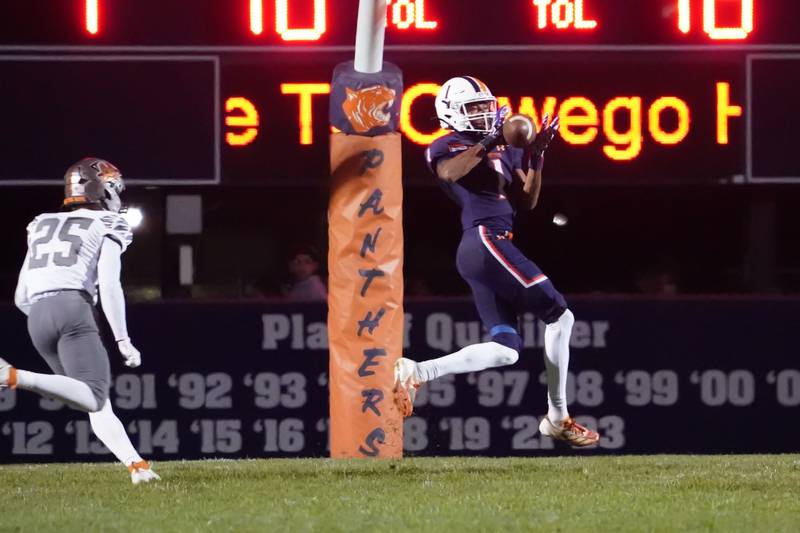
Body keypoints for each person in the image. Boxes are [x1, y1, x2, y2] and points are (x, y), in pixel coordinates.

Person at [394, 76, 599, 447]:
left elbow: (527, 200)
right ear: (451, 112)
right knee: (560, 314)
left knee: (505, 351)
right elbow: (448, 172)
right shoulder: (447, 144)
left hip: (491, 244)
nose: (485, 114)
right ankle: (557, 416)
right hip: (483, 239)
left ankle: (417, 371)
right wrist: (489, 142)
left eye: (486, 106)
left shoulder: (504, 148)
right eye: (474, 108)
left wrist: (536, 155)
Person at [0, 157, 160, 483]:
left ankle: (137, 467)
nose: (118, 193)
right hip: (72, 307)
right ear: (102, 189)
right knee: (93, 395)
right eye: (114, 186)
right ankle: (11, 375)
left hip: (37, 317)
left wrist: (49, 315)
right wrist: (122, 340)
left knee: (91, 401)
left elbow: (20, 297)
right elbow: (111, 283)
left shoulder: (41, 223)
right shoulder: (108, 224)